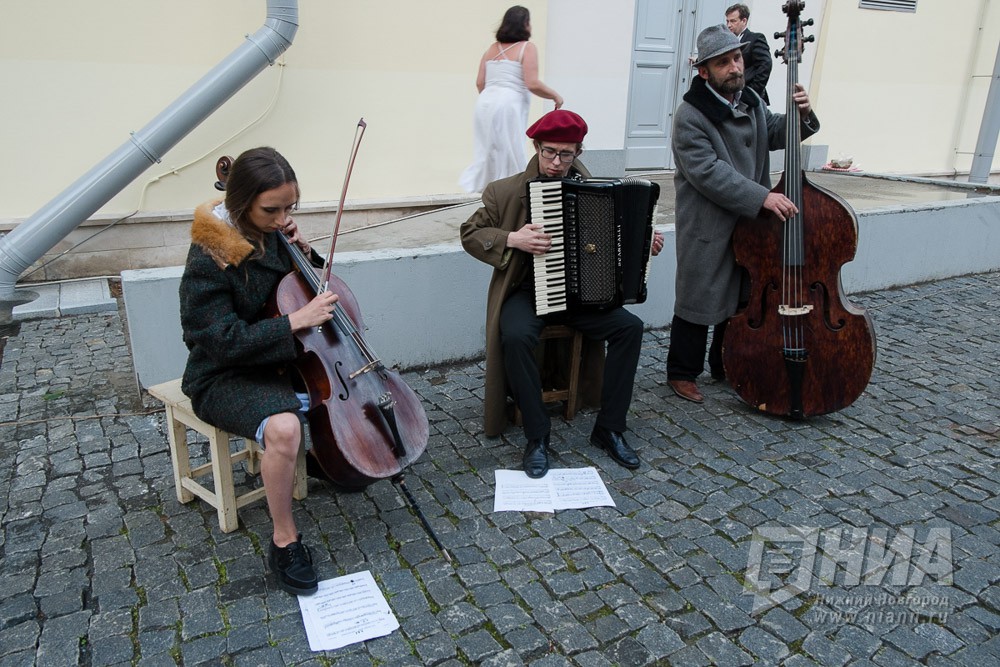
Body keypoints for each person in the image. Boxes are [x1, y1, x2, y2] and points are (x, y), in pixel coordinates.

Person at [461, 109, 665, 478]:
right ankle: (537, 435)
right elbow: (470, 234)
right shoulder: (503, 191)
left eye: (566, 154)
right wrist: (512, 238)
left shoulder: (597, 191)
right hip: (526, 291)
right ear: (536, 148)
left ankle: (609, 428)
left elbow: (615, 240)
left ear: (578, 152)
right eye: (549, 152)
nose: (556, 162)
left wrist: (644, 244)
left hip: (578, 295)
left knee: (629, 328)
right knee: (516, 336)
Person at [179, 147, 338, 596]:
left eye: (290, 207)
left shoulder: (274, 234)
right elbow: (217, 339)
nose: (282, 218)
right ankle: (284, 539)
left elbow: (300, 289)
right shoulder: (210, 255)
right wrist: (294, 322)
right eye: (272, 209)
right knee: (285, 428)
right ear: (240, 202)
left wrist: (304, 252)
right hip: (223, 373)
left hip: (277, 360)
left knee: (332, 388)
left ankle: (329, 459)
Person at [667, 24, 818, 404]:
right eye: (723, 63)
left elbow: (777, 132)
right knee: (699, 297)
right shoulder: (690, 115)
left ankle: (725, 363)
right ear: (704, 72)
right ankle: (682, 372)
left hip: (749, 221)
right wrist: (762, 197)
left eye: (737, 58)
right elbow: (707, 171)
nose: (735, 67)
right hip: (708, 222)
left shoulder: (749, 99)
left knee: (741, 297)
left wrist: (802, 114)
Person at [459, 5, 564, 193]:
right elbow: (532, 83)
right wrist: (554, 95)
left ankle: (490, 190)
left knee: (488, 149)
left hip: (485, 103)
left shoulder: (491, 49)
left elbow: (480, 82)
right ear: (524, 24)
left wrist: (492, 97)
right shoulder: (527, 47)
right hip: (509, 103)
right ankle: (513, 189)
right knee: (511, 148)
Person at [726, 3, 772, 104]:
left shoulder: (755, 38)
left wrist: (752, 92)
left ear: (744, 21)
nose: (729, 25)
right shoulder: (729, 42)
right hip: (733, 97)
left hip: (750, 98)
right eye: (727, 21)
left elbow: (765, 65)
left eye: (733, 21)